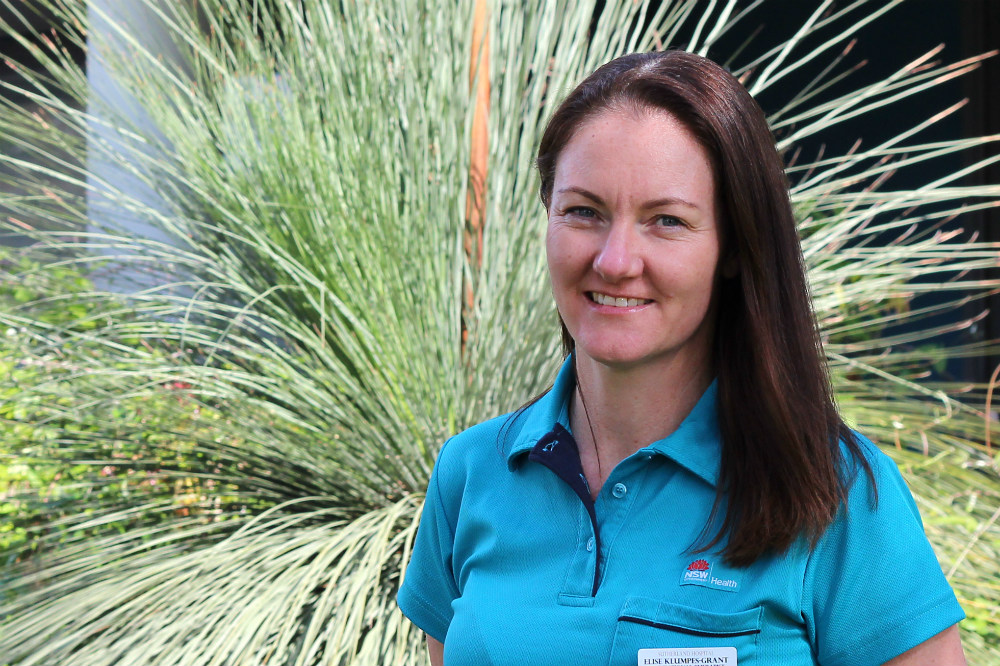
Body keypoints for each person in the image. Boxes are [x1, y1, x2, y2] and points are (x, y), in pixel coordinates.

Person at [396, 50, 967, 666]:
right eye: (583, 212)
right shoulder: (472, 473)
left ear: (734, 249)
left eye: (665, 221)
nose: (615, 260)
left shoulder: (836, 492)